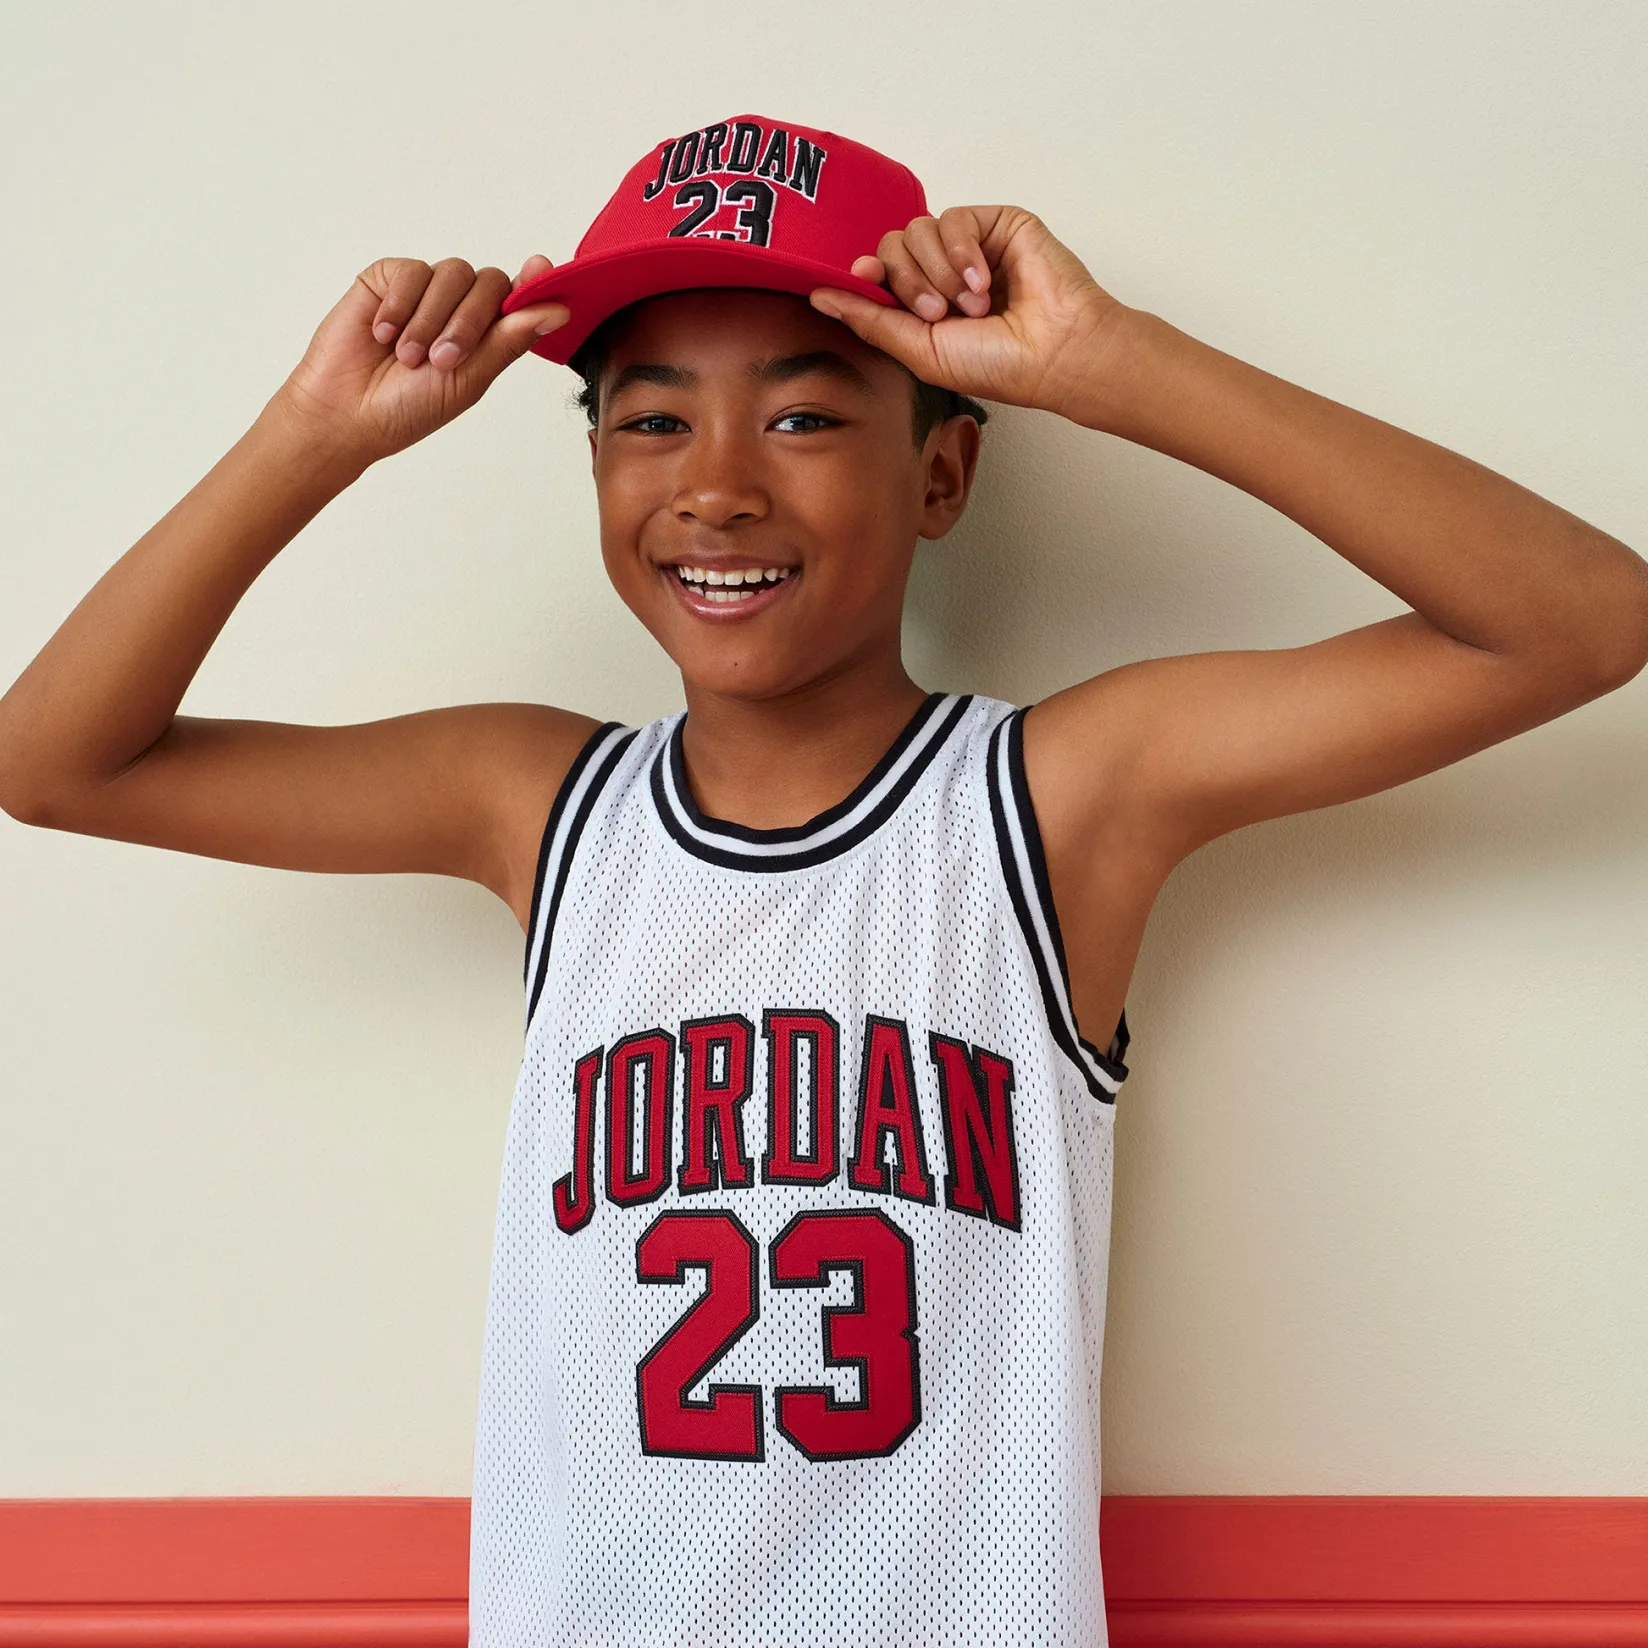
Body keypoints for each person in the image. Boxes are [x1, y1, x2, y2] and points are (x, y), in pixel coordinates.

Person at [1, 112, 1644, 1646]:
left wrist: (1114, 364)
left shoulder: (1055, 803)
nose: (718, 483)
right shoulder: (541, 805)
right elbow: (58, 760)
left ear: (941, 477)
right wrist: (310, 439)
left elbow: (1578, 620)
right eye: (652, 419)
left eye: (801, 414)